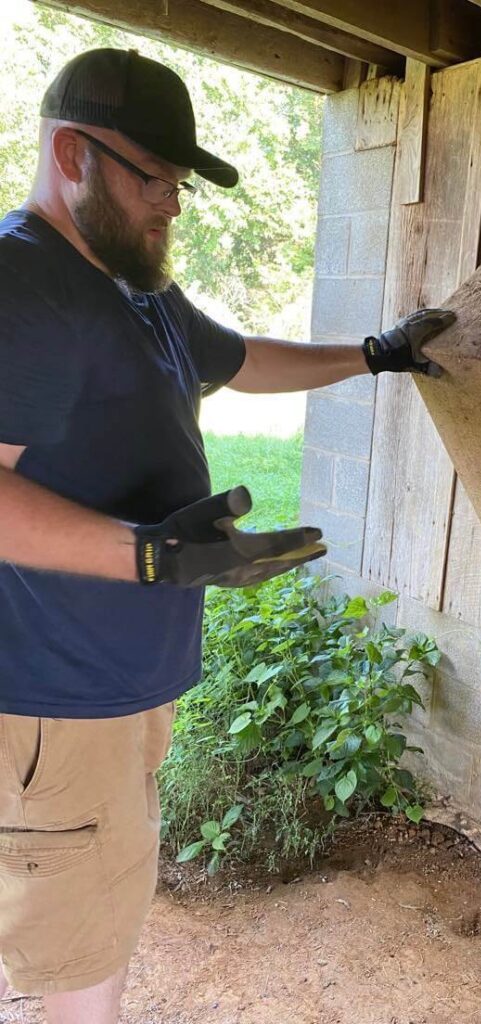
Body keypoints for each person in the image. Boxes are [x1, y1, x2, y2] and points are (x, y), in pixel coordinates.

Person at [0, 47, 455, 1023]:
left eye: (179, 183)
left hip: (112, 697)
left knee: (88, 934)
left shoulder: (136, 292)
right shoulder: (24, 287)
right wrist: (153, 555)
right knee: (76, 974)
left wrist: (376, 355)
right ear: (71, 154)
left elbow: (243, 361)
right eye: (153, 177)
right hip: (54, 703)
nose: (172, 204)